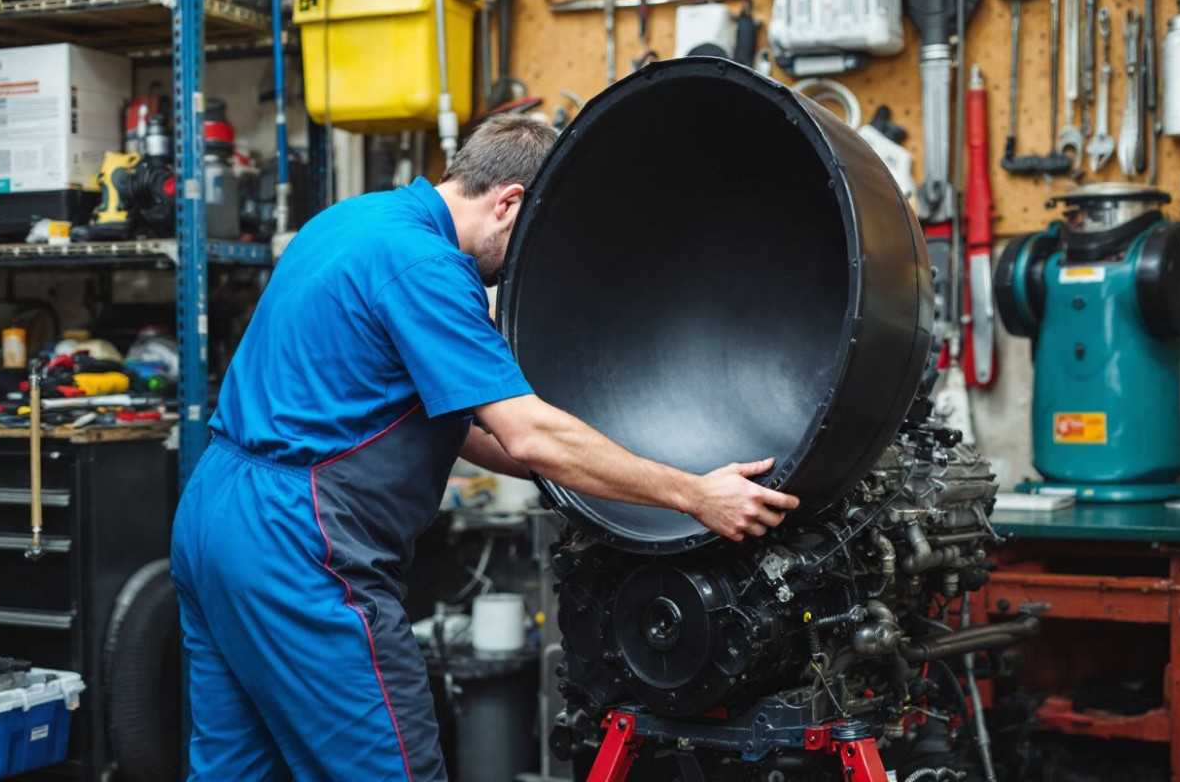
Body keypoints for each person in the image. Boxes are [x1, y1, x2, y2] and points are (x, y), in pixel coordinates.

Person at [170, 114, 800, 781]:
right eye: (536, 239)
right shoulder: (426, 265)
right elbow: (527, 429)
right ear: (510, 202)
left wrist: (595, 477)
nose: (527, 265)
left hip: (214, 517)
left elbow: (467, 430)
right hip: (296, 545)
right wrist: (696, 495)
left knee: (235, 771)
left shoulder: (350, 222)